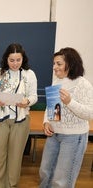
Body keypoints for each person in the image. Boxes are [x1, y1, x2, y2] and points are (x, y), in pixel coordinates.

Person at [39, 47, 93, 188]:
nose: (54, 67)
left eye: (58, 64)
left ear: (70, 64)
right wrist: (46, 122)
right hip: (54, 134)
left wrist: (70, 102)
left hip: (73, 137)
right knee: (45, 173)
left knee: (61, 180)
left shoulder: (83, 84)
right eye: (54, 64)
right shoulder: (56, 81)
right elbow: (50, 107)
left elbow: (90, 113)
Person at [0, 43, 38, 188]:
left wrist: (27, 101)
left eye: (18, 60)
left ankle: (11, 185)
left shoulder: (29, 74)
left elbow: (34, 96)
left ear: (23, 59)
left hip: (21, 120)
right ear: (6, 59)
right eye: (12, 60)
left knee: (15, 158)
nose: (15, 63)